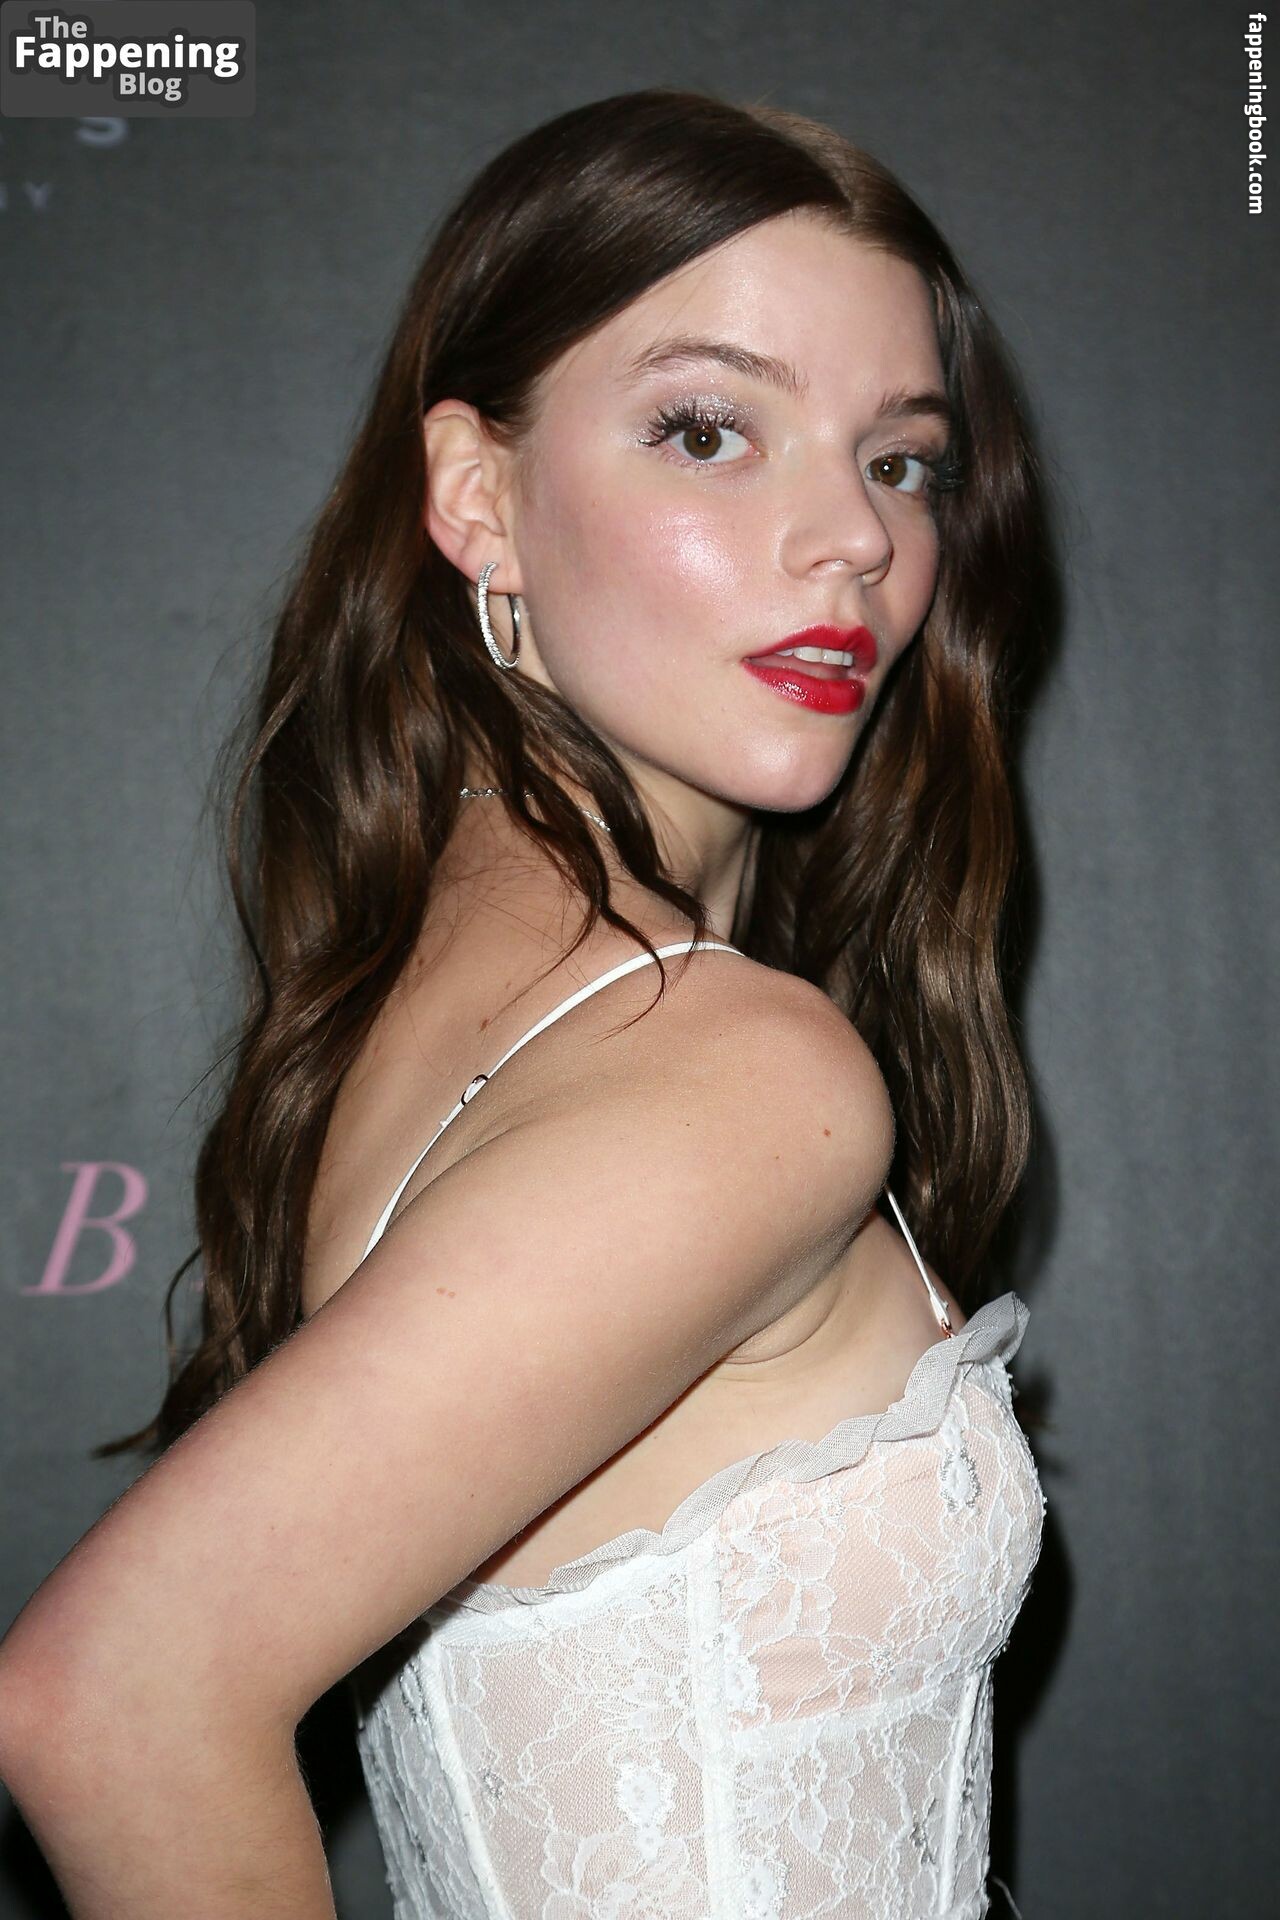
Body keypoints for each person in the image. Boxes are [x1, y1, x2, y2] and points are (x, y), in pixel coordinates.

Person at [0, 86, 1052, 1919]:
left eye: (901, 461)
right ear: (478, 497)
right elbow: (110, 1698)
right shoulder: (733, 1072)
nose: (855, 540)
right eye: (710, 431)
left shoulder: (435, 1020)